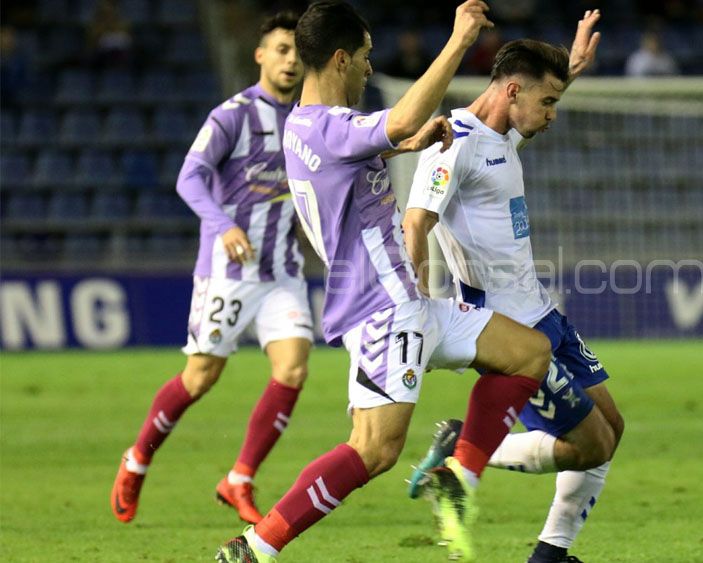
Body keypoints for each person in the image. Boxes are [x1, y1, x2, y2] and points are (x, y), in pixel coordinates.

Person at [216, 2, 572, 561]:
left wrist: (399, 145)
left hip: (408, 302)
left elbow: (370, 148)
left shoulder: (303, 129)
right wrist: (457, 42)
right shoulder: (332, 126)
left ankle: (460, 474)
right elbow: (398, 121)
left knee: (530, 352)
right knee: (374, 450)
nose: (367, 68)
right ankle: (257, 546)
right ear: (340, 59)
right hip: (386, 309)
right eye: (364, 57)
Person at [403, 11, 624, 563]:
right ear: (512, 90)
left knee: (611, 429)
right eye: (547, 103)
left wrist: (568, 70)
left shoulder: (501, 133)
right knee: (589, 444)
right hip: (509, 330)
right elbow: (416, 220)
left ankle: (550, 552)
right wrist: (416, 299)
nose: (552, 115)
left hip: (544, 314)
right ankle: (469, 454)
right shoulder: (453, 143)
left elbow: (528, 103)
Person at [111, 11, 310, 526]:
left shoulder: (310, 119)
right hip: (228, 269)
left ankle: (239, 478)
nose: (290, 60)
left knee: (292, 368)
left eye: (297, 52)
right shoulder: (233, 116)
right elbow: (190, 178)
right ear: (260, 55)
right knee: (200, 378)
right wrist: (223, 224)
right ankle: (136, 460)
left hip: (282, 270)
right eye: (281, 50)